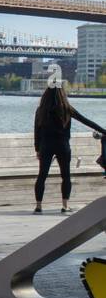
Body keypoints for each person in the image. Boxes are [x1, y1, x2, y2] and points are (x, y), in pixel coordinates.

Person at [33, 85, 105, 214]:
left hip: (46, 146)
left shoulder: (41, 110)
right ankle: (65, 205)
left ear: (46, 95)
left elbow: (36, 131)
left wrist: (37, 149)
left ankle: (38, 206)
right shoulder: (66, 109)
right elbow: (86, 121)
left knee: (42, 175)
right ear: (62, 94)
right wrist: (104, 131)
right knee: (65, 176)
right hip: (63, 146)